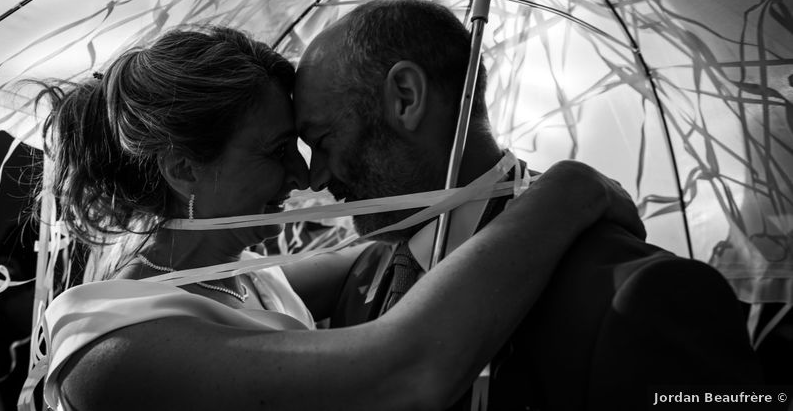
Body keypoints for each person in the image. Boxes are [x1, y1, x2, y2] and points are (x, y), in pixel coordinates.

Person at [34, 25, 644, 411]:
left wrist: (500, 182)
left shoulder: (247, 279)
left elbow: (405, 240)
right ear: (184, 170)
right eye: (277, 154)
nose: (305, 179)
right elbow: (402, 372)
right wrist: (569, 190)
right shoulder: (111, 348)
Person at [293, 0, 764, 411]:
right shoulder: (365, 279)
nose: (315, 178)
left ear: (405, 97)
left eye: (324, 139)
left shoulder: (644, 294)